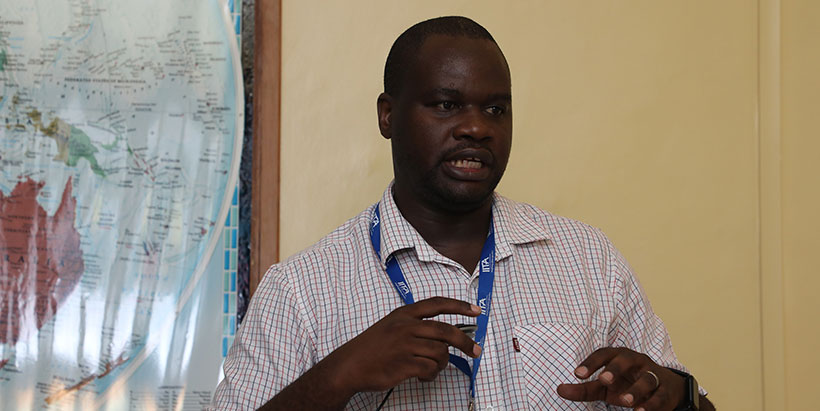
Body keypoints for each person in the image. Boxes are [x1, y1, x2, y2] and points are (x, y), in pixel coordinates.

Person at [213, 16, 716, 410]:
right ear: (388, 115)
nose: (476, 128)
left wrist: (674, 395)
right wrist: (339, 376)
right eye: (446, 105)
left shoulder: (589, 259)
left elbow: (687, 400)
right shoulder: (301, 291)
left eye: (496, 109)